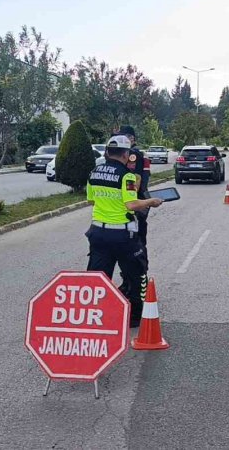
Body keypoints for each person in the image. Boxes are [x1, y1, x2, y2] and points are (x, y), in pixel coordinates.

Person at [86, 135, 163, 326]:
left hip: (97, 233)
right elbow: (131, 204)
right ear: (126, 154)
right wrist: (151, 202)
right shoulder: (126, 176)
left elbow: (91, 200)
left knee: (98, 278)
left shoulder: (94, 172)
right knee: (137, 274)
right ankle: (135, 318)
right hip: (122, 235)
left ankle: (95, 316)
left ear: (107, 152)